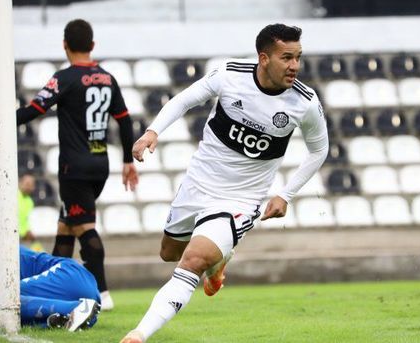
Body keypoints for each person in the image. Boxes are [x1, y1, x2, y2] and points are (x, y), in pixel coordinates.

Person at [120, 24, 329, 343]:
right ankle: (218, 263)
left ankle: (138, 334)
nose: (294, 66)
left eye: (298, 57)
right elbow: (183, 100)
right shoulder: (230, 74)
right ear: (264, 58)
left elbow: (319, 149)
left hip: (241, 201)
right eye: (286, 57)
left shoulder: (304, 102)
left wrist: (286, 194)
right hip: (198, 184)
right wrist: (152, 131)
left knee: (193, 260)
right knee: (169, 252)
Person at [0, 19, 138, 310]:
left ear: (65, 46)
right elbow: (125, 119)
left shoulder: (65, 78)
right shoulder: (108, 78)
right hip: (100, 164)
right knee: (65, 227)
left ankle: (103, 293)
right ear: (92, 46)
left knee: (84, 226)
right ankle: (54, 286)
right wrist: (128, 160)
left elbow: (33, 110)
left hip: (74, 167)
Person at [0, 224, 100, 332]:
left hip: (70, 274)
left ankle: (77, 309)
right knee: (0, 310)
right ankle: (70, 317)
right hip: (80, 294)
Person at [0, 174, 44, 251]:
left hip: (14, 233)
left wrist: (27, 231)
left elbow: (24, 220)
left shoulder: (30, 202)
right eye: (27, 184)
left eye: (31, 185)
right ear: (20, 183)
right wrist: (25, 232)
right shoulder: (13, 195)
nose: (29, 187)